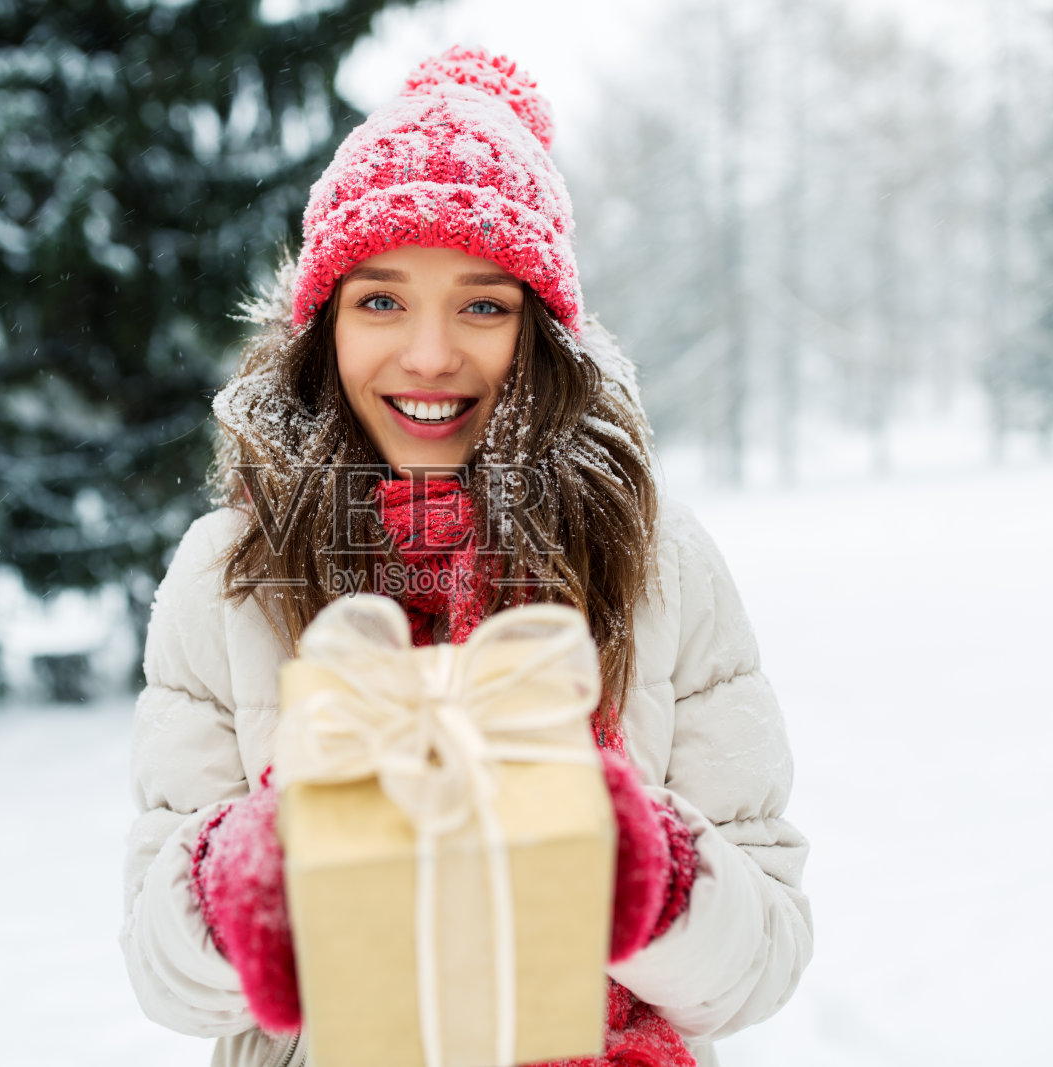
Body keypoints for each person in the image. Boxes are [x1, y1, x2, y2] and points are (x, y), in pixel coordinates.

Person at [121, 47, 812, 1067]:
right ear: (324, 322)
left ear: (540, 330)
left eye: (482, 304)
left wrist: (648, 868)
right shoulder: (234, 571)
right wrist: (247, 876)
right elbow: (159, 962)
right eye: (382, 300)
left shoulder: (656, 558)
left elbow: (766, 956)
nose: (432, 354)